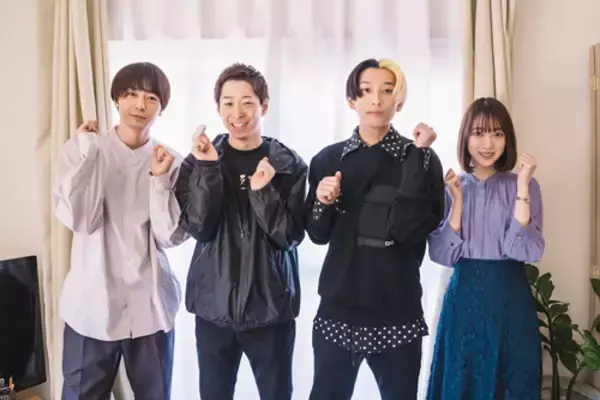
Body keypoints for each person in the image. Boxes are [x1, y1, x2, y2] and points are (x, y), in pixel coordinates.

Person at [304, 57, 445, 400]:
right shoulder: (328, 159)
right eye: (366, 91)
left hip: (398, 307)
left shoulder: (423, 159)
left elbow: (412, 230)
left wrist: (417, 158)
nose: (376, 100)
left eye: (387, 90)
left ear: (400, 101)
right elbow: (317, 235)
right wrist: (322, 202)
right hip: (338, 306)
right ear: (351, 100)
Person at [174, 63, 307, 400]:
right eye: (228, 103)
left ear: (264, 106)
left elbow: (289, 237)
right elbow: (199, 228)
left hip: (270, 308)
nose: (237, 113)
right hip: (213, 308)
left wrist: (263, 193)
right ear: (218, 108)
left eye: (247, 102)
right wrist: (208, 168)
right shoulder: (197, 161)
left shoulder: (288, 165)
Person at [53, 62, 186, 400]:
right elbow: (82, 220)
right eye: (131, 94)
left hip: (150, 307)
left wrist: (160, 180)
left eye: (151, 98)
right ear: (116, 99)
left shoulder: (171, 161)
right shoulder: (83, 149)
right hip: (91, 306)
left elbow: (170, 236)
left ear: (162, 107)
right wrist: (89, 154)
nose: (140, 105)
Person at [426, 97, 544, 399]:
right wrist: (457, 203)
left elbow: (525, 251)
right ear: (466, 138)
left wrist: (522, 186)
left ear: (508, 139)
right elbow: (442, 254)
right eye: (479, 133)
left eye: (497, 133)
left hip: (511, 301)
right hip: (463, 301)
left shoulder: (527, 185)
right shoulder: (452, 186)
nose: (488, 144)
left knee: (512, 380)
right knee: (460, 381)